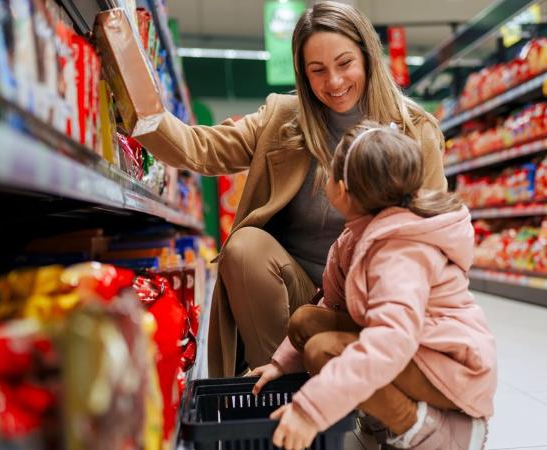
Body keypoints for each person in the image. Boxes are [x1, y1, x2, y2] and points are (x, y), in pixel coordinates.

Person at [135, 2, 447, 377]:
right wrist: (136, 103)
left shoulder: (416, 132)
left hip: (375, 297)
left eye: (345, 63)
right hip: (301, 295)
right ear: (303, 75)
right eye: (318, 71)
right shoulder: (282, 118)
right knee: (244, 246)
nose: (333, 82)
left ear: (367, 56)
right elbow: (200, 148)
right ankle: (275, 391)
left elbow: (433, 235)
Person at [250, 121, 497, 450]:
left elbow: (389, 342)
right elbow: (331, 307)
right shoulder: (357, 235)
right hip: (420, 350)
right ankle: (381, 415)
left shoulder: (399, 252)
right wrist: (281, 364)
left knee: (324, 351)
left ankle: (437, 433)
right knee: (307, 322)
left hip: (452, 367)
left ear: (344, 190)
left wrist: (310, 411)